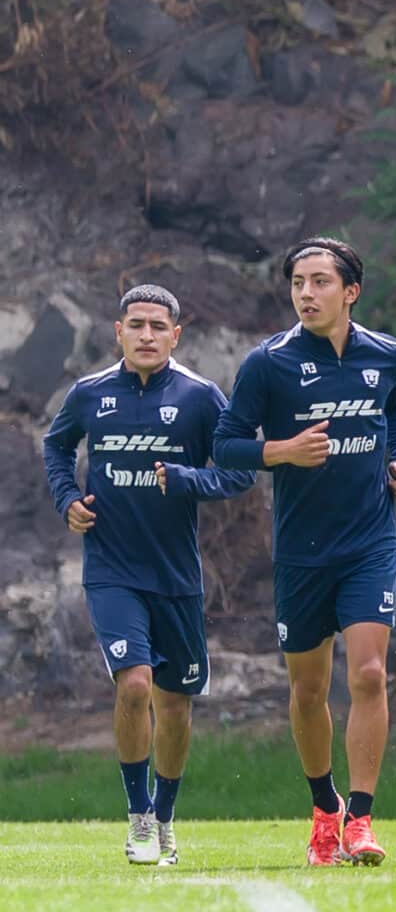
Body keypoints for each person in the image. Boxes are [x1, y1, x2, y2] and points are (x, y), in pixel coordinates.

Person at [213, 238, 396, 867]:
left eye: (320, 281)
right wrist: (281, 452)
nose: (307, 293)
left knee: (369, 674)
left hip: (369, 542)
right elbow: (225, 446)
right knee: (307, 692)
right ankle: (322, 806)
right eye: (299, 282)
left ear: (350, 291)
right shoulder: (268, 363)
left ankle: (360, 818)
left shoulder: (386, 354)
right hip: (301, 551)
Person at [43, 285, 251, 865]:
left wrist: (189, 479)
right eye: (136, 324)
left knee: (176, 702)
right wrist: (67, 500)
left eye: (159, 326)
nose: (146, 335)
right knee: (134, 684)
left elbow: (238, 474)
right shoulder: (90, 394)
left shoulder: (201, 397)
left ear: (176, 335)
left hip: (177, 574)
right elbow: (56, 447)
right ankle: (137, 817)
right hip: (111, 568)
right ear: (118, 331)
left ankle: (165, 817)